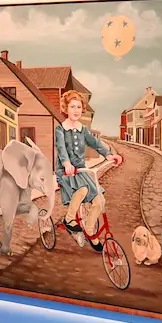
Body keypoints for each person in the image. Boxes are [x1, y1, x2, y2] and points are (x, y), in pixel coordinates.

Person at [52, 91, 121, 244]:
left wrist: (109, 155)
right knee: (82, 190)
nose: (76, 110)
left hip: (81, 171)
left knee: (99, 200)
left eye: (79, 107)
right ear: (65, 109)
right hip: (66, 172)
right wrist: (67, 164)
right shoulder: (60, 129)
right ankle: (69, 219)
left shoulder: (82, 129)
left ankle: (89, 230)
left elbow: (95, 144)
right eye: (72, 106)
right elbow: (61, 148)